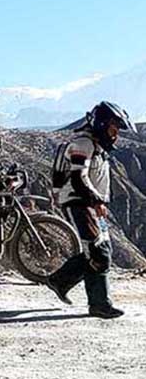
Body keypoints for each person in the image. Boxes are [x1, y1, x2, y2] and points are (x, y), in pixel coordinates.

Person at [45, 101, 136, 319]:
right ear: (102, 124)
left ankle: (60, 280)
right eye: (114, 129)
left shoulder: (97, 145)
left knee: (103, 250)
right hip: (79, 203)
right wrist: (95, 200)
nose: (116, 135)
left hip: (92, 204)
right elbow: (78, 177)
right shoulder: (83, 144)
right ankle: (99, 304)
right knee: (98, 252)